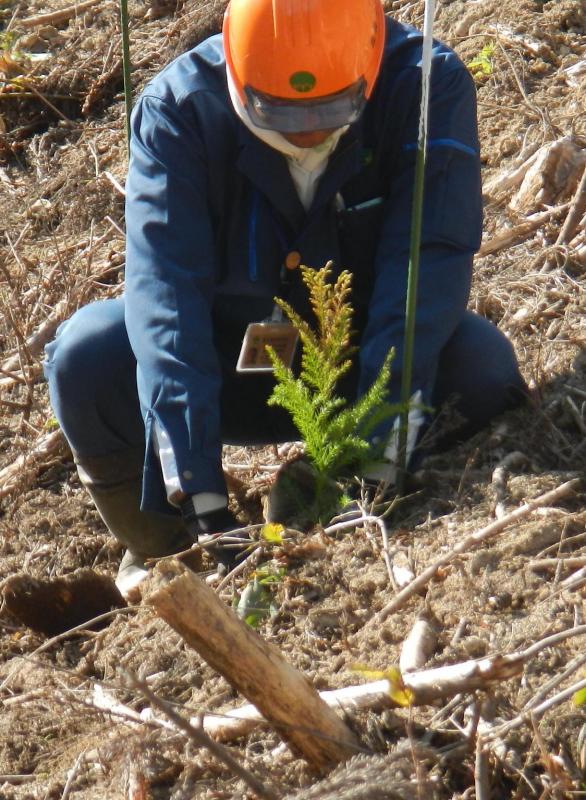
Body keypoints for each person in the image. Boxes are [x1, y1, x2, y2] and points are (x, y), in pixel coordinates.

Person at [44, 0, 526, 597]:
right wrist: (200, 497)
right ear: (236, 77)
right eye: (276, 113)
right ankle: (164, 550)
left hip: (358, 367)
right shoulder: (178, 112)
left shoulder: (426, 87)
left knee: (482, 370)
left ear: (369, 66)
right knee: (85, 357)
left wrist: (375, 455)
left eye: (331, 111)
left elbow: (425, 267)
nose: (306, 133)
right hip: (227, 368)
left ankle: (318, 484)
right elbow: (167, 302)